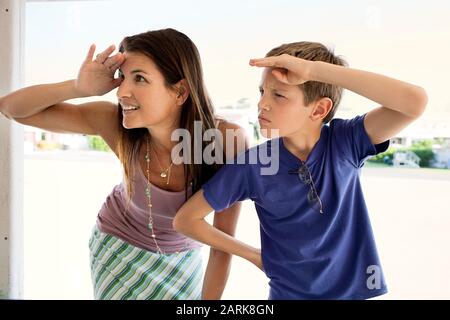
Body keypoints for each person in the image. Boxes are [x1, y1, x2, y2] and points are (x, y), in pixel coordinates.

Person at [0, 28, 247, 300]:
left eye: (139, 78)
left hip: (181, 259)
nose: (122, 91)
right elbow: (11, 108)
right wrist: (78, 87)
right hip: (116, 247)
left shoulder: (225, 141)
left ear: (180, 91)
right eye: (122, 78)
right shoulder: (113, 124)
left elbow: (224, 243)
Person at [173, 41, 428, 299]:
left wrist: (314, 71)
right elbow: (186, 220)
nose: (262, 104)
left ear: (319, 109)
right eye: (262, 91)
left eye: (279, 95)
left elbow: (414, 102)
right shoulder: (253, 164)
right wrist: (255, 256)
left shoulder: (346, 141)